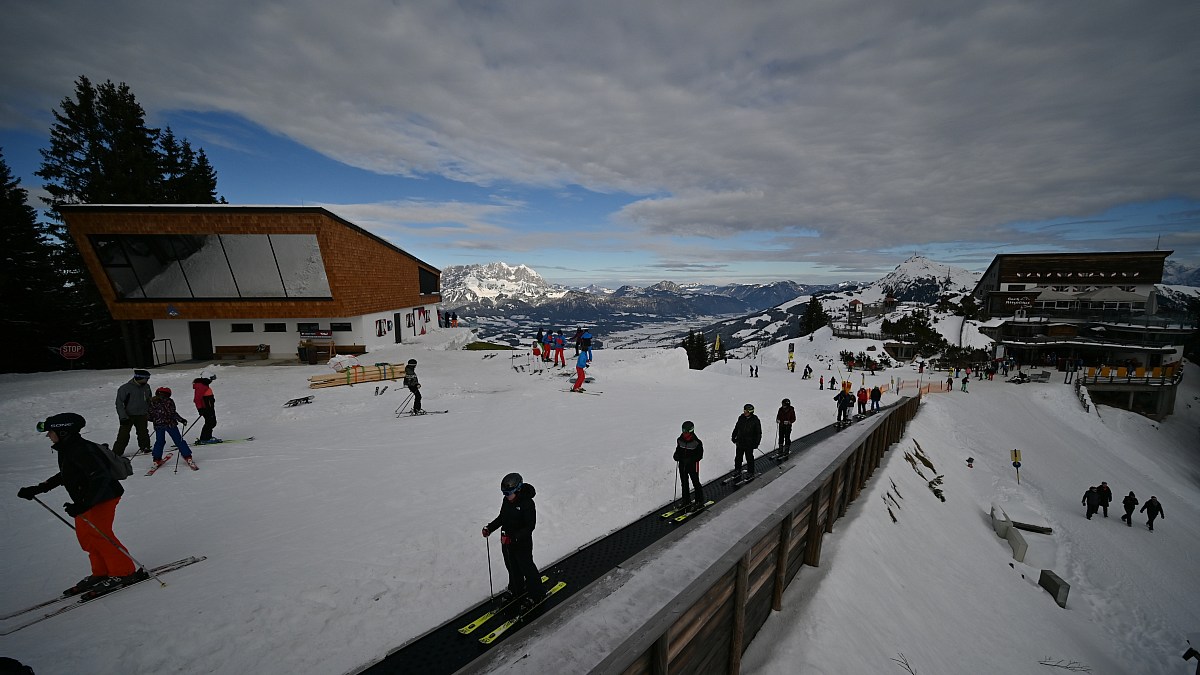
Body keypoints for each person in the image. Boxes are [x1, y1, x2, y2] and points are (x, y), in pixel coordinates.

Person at [17, 413, 147, 597]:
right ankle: (101, 571)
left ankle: (123, 572)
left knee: (100, 535)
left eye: (50, 432)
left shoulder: (82, 450)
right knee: (87, 537)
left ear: (63, 432)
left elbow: (100, 478)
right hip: (87, 500)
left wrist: (84, 504)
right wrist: (39, 488)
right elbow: (68, 474)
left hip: (103, 497)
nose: (48, 436)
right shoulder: (68, 448)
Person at [482, 472, 544, 607]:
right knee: (512, 567)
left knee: (527, 568)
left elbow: (530, 526)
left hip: (522, 543)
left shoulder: (527, 503)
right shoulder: (507, 501)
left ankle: (536, 594)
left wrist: (514, 538)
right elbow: (502, 518)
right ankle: (516, 589)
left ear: (518, 489)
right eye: (504, 494)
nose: (506, 496)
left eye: (509, 493)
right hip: (507, 541)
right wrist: (490, 528)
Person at [149, 387, 196, 470]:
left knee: (159, 441)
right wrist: (181, 420)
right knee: (179, 440)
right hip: (170, 424)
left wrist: (156, 420)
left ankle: (156, 459)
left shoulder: (151, 401)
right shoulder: (169, 401)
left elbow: (148, 416)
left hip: (158, 425)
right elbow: (173, 413)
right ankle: (187, 456)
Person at [113, 369, 152, 456]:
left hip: (142, 414)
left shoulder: (146, 387)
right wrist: (123, 417)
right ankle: (117, 453)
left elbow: (149, 399)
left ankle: (145, 447)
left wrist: (150, 411)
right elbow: (119, 404)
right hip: (128, 416)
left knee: (143, 432)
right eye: (145, 379)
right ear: (138, 378)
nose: (147, 381)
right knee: (123, 435)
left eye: (148, 379)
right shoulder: (125, 388)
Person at [673, 421, 705, 510]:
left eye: (686, 431)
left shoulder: (697, 442)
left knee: (695, 482)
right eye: (683, 431)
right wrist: (676, 455)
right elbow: (678, 449)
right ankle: (686, 500)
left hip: (692, 465)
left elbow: (700, 455)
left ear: (691, 431)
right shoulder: (680, 440)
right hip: (682, 465)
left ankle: (699, 500)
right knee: (684, 483)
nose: (684, 433)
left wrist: (690, 460)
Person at [731, 404, 762, 481]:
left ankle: (750, 472)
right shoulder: (741, 418)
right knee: (738, 457)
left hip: (749, 443)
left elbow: (758, 433)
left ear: (750, 412)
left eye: (746, 411)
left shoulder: (755, 420)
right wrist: (733, 436)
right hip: (740, 441)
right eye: (744, 411)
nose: (744, 412)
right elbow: (736, 428)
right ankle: (737, 469)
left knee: (749, 458)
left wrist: (756, 443)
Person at [192, 371, 220, 444]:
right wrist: (200, 409)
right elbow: (197, 399)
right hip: (206, 408)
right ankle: (205, 438)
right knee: (210, 422)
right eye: (211, 379)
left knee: (212, 422)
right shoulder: (201, 386)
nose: (211, 381)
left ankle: (208, 437)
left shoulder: (204, 385)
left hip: (209, 407)